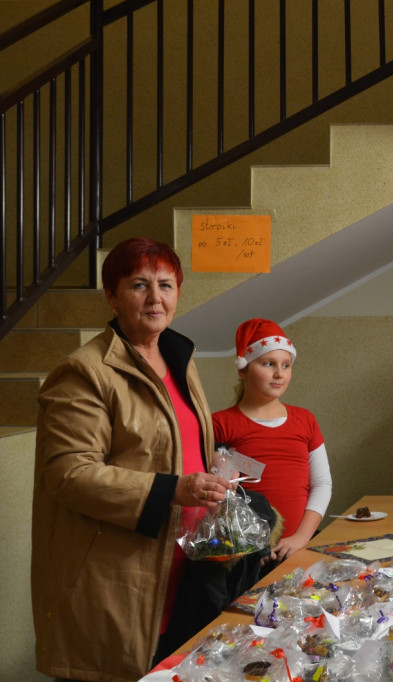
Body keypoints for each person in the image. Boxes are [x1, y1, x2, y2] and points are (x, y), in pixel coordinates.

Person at [32, 237, 233, 681]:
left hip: (183, 565)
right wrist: (173, 489)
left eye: (166, 285)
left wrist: (216, 474)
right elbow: (69, 474)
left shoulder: (179, 357)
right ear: (112, 296)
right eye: (139, 285)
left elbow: (180, 444)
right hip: (119, 579)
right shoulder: (84, 371)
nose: (155, 297)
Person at [213, 318, 332, 565]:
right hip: (247, 555)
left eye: (286, 365)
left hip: (299, 549)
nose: (279, 373)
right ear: (243, 370)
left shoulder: (305, 420)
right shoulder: (219, 423)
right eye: (268, 364)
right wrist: (248, 545)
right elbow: (217, 495)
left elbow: (322, 483)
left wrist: (301, 538)